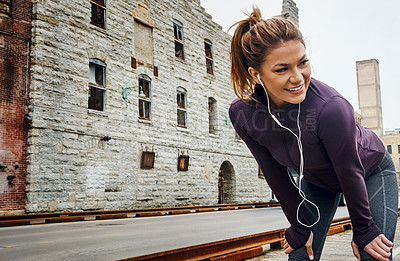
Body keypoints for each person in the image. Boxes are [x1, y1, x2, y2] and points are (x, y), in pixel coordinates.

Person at [228, 7, 398, 261]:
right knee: (299, 255)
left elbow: (349, 171)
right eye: (282, 69)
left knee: (373, 253)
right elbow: (275, 174)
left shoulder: (331, 109)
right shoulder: (244, 114)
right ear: (257, 74)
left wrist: (363, 229)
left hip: (369, 172)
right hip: (318, 180)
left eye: (303, 63)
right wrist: (300, 226)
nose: (298, 78)